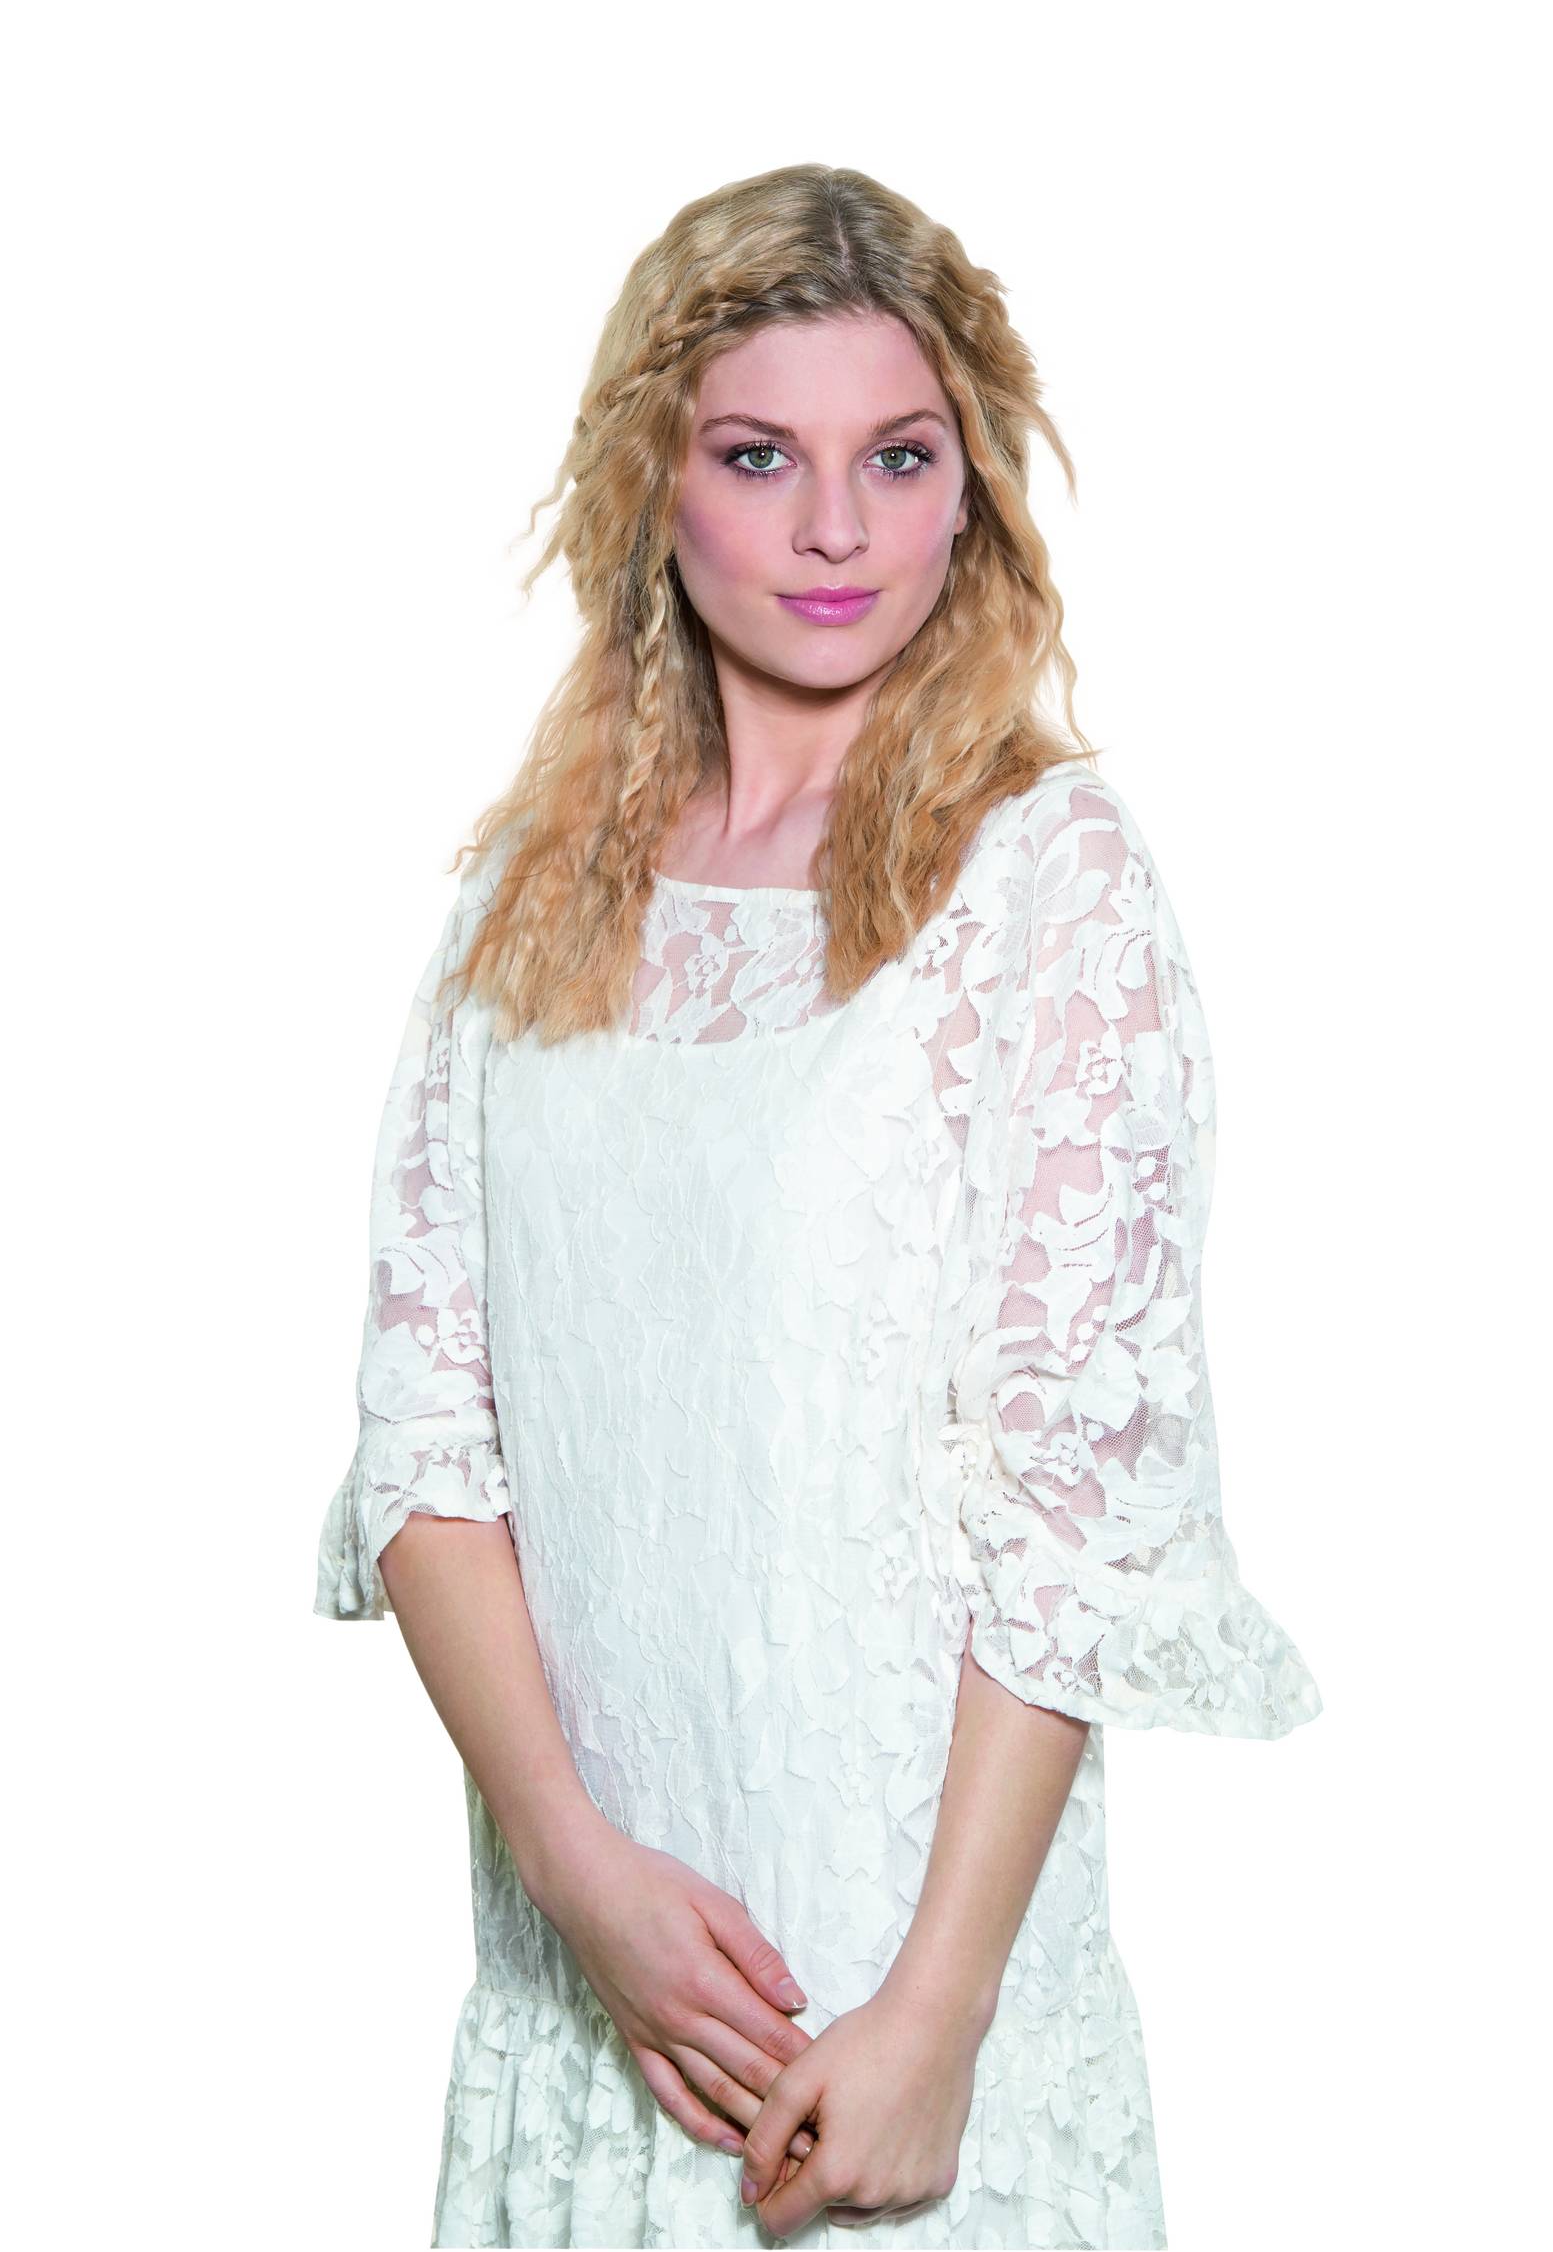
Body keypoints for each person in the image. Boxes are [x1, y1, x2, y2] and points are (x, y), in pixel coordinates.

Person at [313, 161, 1324, 2250]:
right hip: (589, 2003)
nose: (838, 528)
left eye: (901, 455)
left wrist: (938, 2015)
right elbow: (426, 1439)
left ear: (973, 491)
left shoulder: (1046, 881)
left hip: (897, 2020)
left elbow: (1065, 1510)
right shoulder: (524, 901)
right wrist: (572, 1865)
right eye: (762, 455)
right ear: (653, 483)